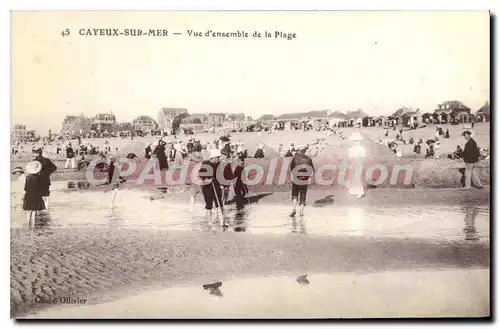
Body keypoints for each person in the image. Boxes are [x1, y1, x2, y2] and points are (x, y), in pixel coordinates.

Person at [198, 148, 228, 220]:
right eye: (217, 157)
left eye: (218, 157)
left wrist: (223, 184)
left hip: (216, 185)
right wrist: (206, 180)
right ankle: (209, 221)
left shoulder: (219, 164)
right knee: (209, 204)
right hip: (207, 186)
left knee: (219, 203)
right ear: (212, 157)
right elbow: (201, 174)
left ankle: (220, 219)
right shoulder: (206, 163)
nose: (218, 159)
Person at [289, 145, 314, 216]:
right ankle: (301, 211)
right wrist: (308, 177)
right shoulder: (308, 159)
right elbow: (311, 170)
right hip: (304, 179)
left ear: (299, 151)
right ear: (305, 151)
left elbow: (291, 167)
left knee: (295, 193)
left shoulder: (295, 158)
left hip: (296, 178)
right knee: (303, 194)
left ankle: (294, 208)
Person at [23, 161, 45, 227]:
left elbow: (25, 188)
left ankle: (27, 223)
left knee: (28, 210)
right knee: (34, 210)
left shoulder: (28, 178)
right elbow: (41, 188)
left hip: (28, 195)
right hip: (36, 195)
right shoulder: (39, 178)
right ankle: (33, 224)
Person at [347, 133, 366, 198]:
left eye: (357, 141)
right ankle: (353, 191)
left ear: (360, 141)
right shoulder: (351, 148)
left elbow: (363, 157)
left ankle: (360, 192)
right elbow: (350, 157)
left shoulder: (361, 148)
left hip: (359, 163)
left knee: (357, 177)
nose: (356, 142)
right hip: (353, 163)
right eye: (355, 141)